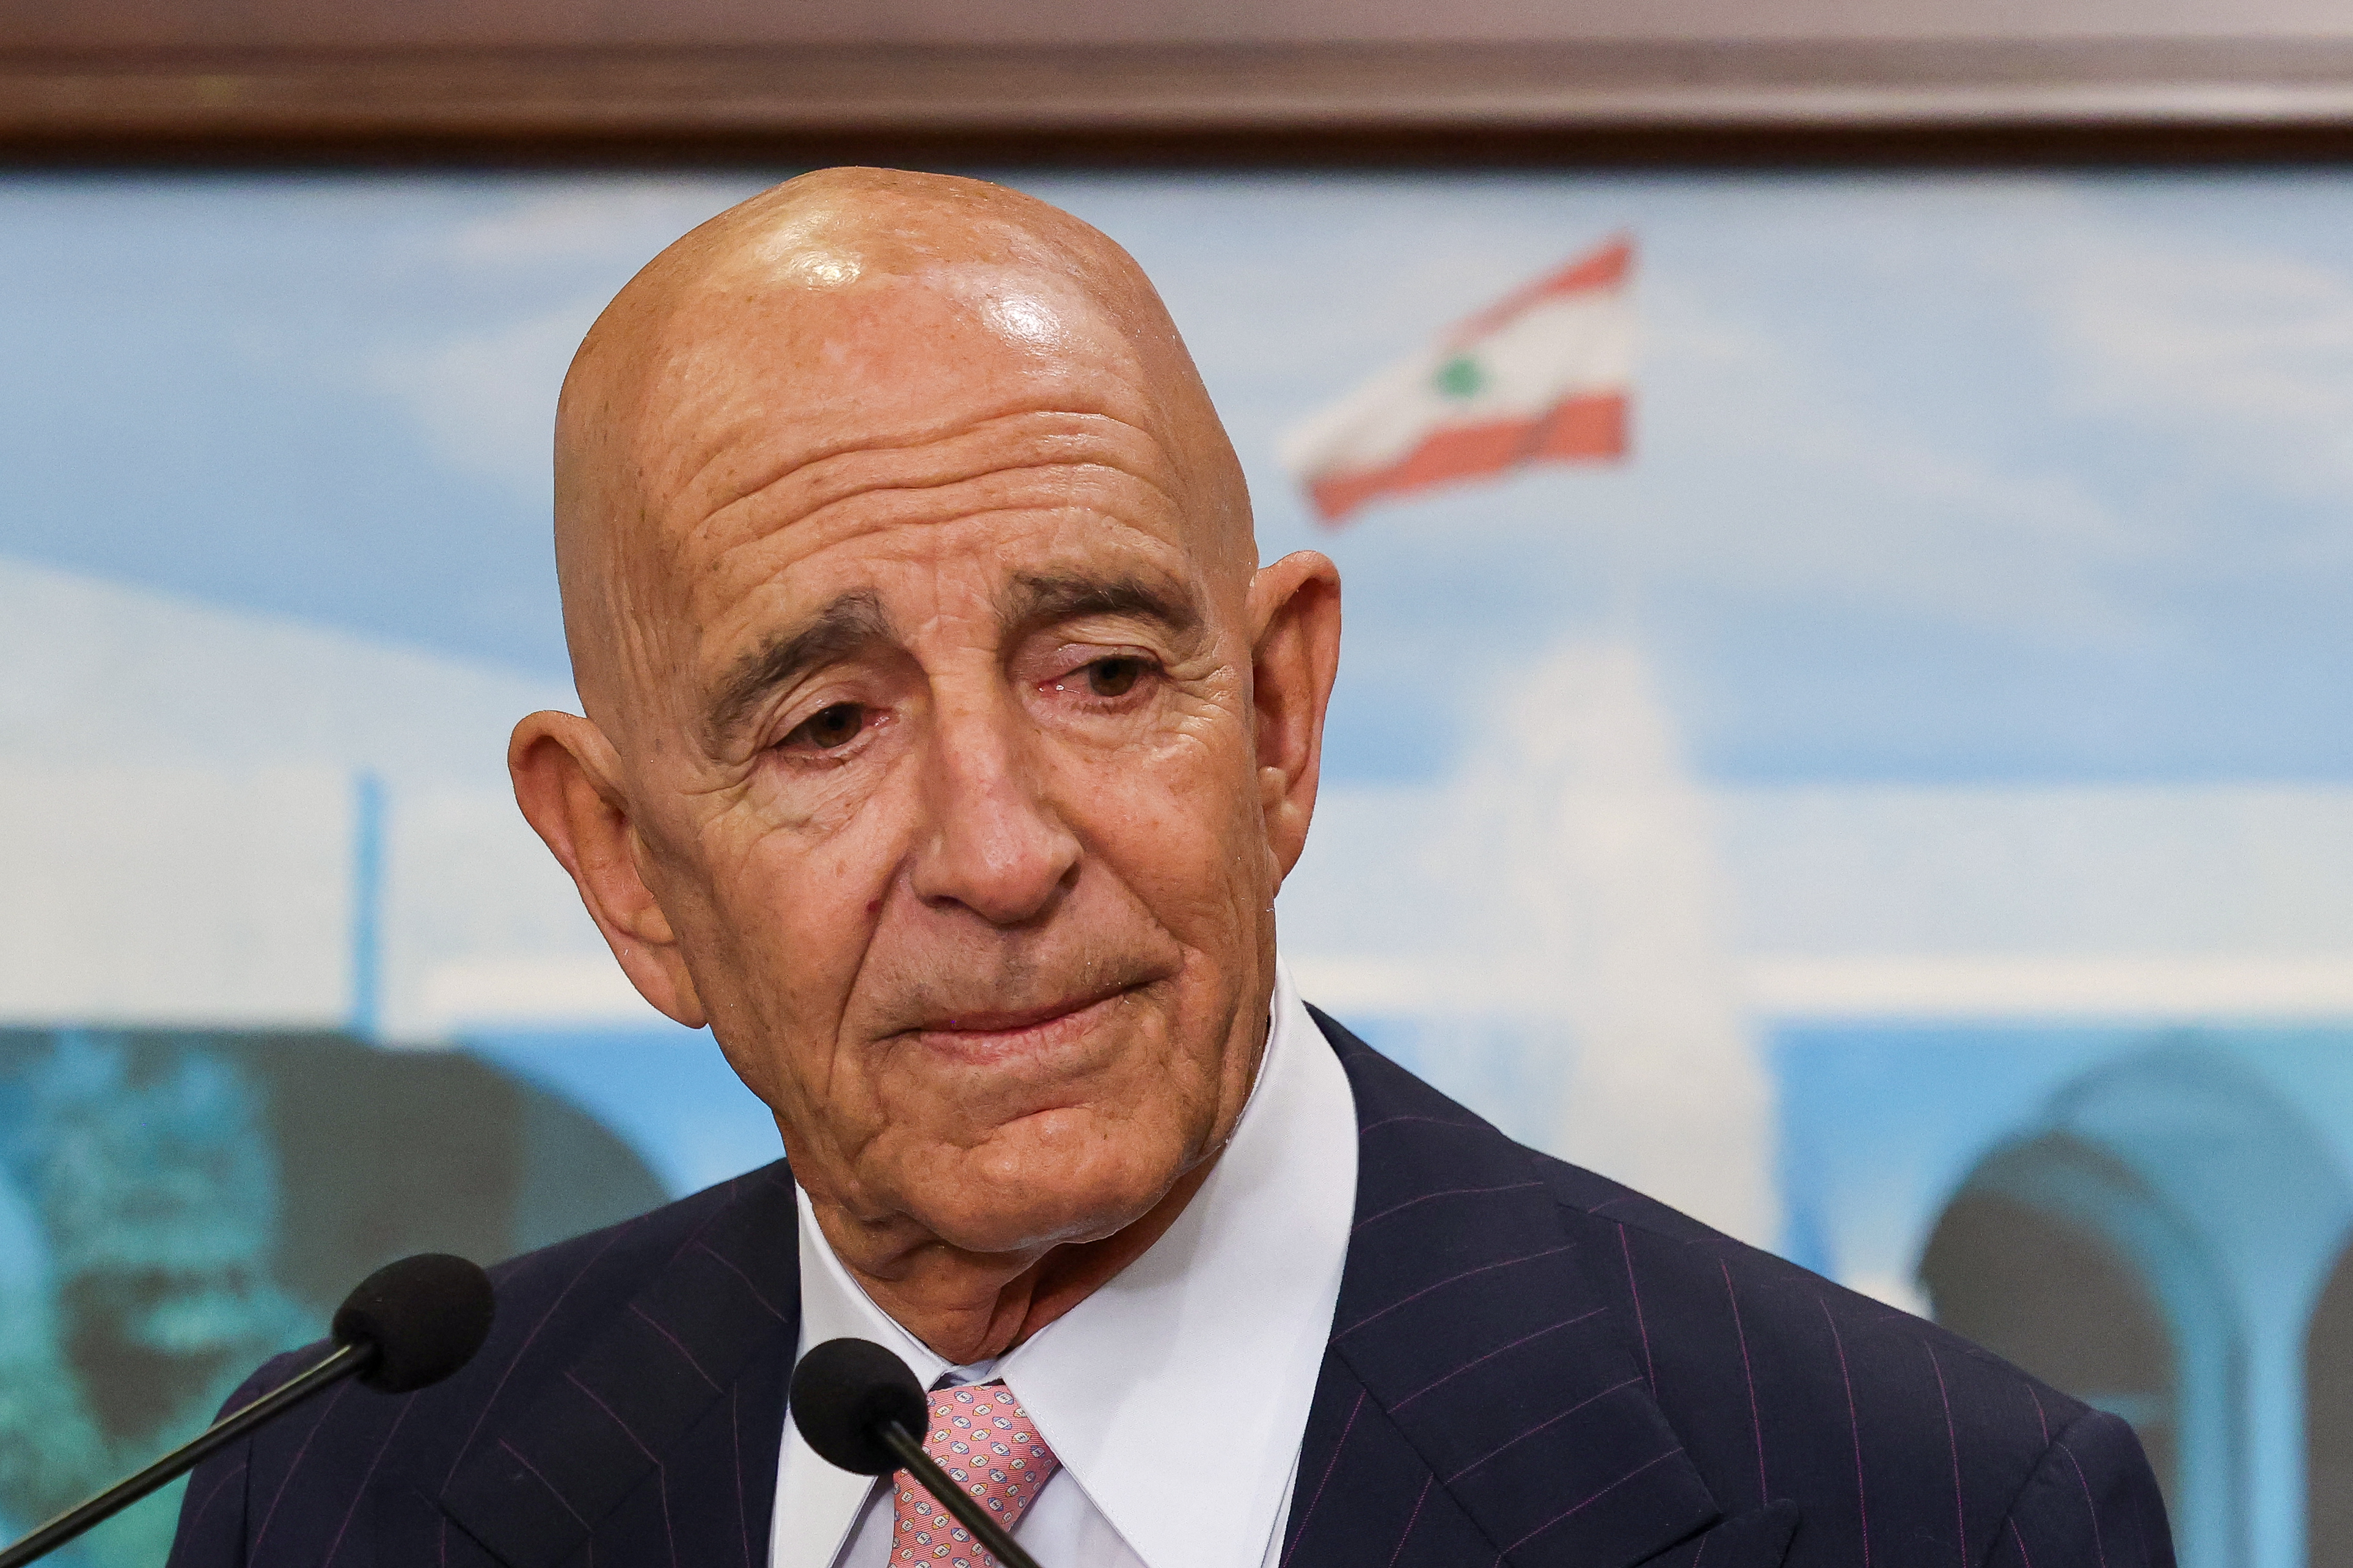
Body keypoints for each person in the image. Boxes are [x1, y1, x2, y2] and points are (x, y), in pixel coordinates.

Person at [166, 169, 2169, 1568]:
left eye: (1107, 673)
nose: (1002, 851)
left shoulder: (1921, 1512)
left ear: (1279, 722)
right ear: (623, 866)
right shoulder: (344, 1491)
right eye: (828, 727)